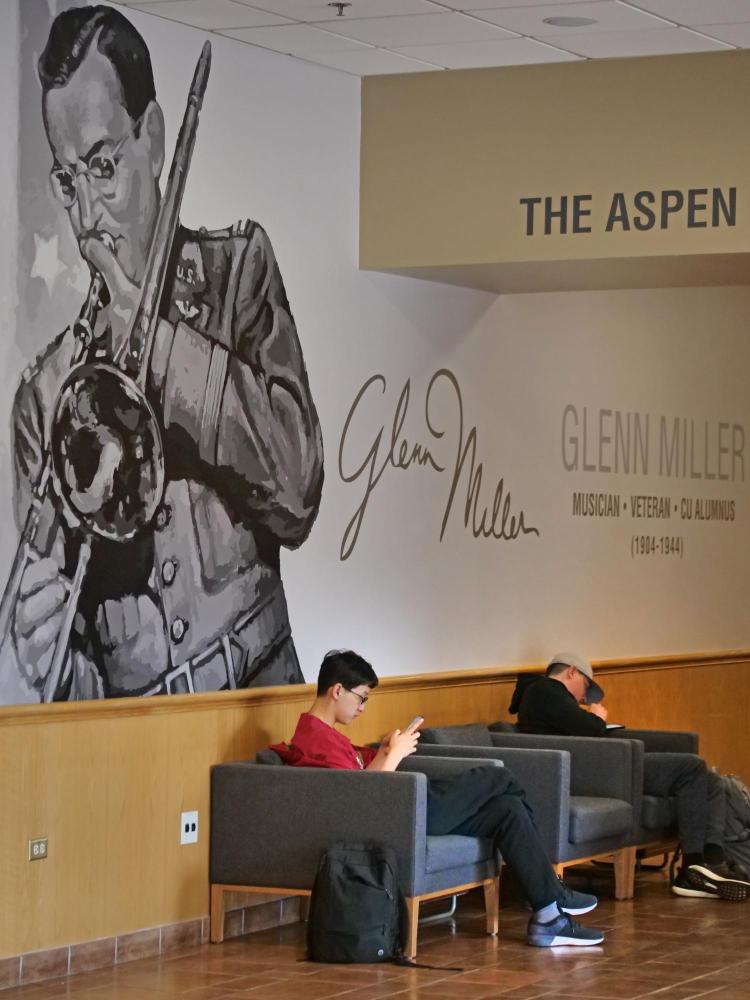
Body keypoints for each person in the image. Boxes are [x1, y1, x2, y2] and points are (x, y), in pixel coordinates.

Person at [4, 6, 323, 700]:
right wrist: (46, 650)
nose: (86, 214)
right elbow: (81, 685)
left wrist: (165, 349)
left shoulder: (238, 272)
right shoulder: (43, 398)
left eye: (103, 167)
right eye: (68, 181)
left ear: (152, 137)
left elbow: (297, 491)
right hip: (144, 740)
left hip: (260, 705)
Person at [270, 649, 606, 948]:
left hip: (406, 802)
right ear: (337, 690)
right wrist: (395, 755)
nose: (362, 707)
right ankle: (550, 887)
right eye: (361, 698)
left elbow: (360, 776)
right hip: (399, 813)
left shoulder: (327, 734)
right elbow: (361, 797)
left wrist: (385, 749)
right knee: (497, 776)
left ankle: (549, 917)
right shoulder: (315, 737)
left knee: (508, 808)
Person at [513, 652, 750, 902]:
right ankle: (692, 867)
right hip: (600, 771)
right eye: (585, 686)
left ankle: (711, 861)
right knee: (691, 767)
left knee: (709, 779)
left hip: (606, 765)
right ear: (572, 671)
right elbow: (588, 728)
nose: (584, 697)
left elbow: (578, 729)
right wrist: (596, 717)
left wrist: (594, 721)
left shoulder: (549, 696)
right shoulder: (544, 690)